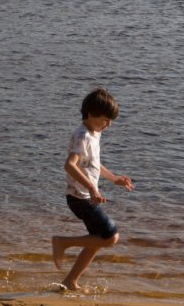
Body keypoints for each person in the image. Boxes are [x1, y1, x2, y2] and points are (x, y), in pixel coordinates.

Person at [52, 88, 134, 291]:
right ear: (90, 115)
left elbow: (94, 164)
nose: (108, 125)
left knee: (96, 241)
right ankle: (62, 242)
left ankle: (70, 281)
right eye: (104, 120)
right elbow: (69, 165)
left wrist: (114, 178)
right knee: (111, 236)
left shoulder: (93, 133)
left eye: (110, 120)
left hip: (84, 195)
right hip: (80, 197)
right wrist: (92, 188)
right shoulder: (82, 136)